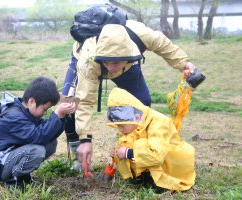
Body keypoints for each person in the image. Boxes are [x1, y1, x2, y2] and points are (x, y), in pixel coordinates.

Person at [62, 17, 198, 168]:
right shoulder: (89, 59)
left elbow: (163, 44)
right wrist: (85, 140)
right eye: (107, 62)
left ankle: (137, 151)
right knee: (69, 106)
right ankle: (79, 157)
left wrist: (184, 64)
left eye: (114, 63)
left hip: (127, 67)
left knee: (142, 104)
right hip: (91, 63)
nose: (110, 67)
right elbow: (85, 101)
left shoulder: (140, 34)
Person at [0, 76, 76, 189]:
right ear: (31, 101)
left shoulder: (26, 113)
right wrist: (57, 114)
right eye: (44, 109)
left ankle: (23, 177)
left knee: (50, 143)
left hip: (9, 157)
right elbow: (39, 136)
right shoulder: (14, 117)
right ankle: (13, 181)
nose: (44, 113)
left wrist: (61, 116)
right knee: (36, 151)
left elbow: (47, 133)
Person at [107, 87, 196, 191]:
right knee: (128, 142)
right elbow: (127, 143)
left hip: (173, 165)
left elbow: (156, 156)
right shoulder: (135, 122)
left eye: (122, 126)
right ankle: (142, 175)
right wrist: (117, 151)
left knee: (141, 144)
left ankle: (157, 179)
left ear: (135, 117)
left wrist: (127, 153)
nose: (119, 129)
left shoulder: (158, 122)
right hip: (159, 161)